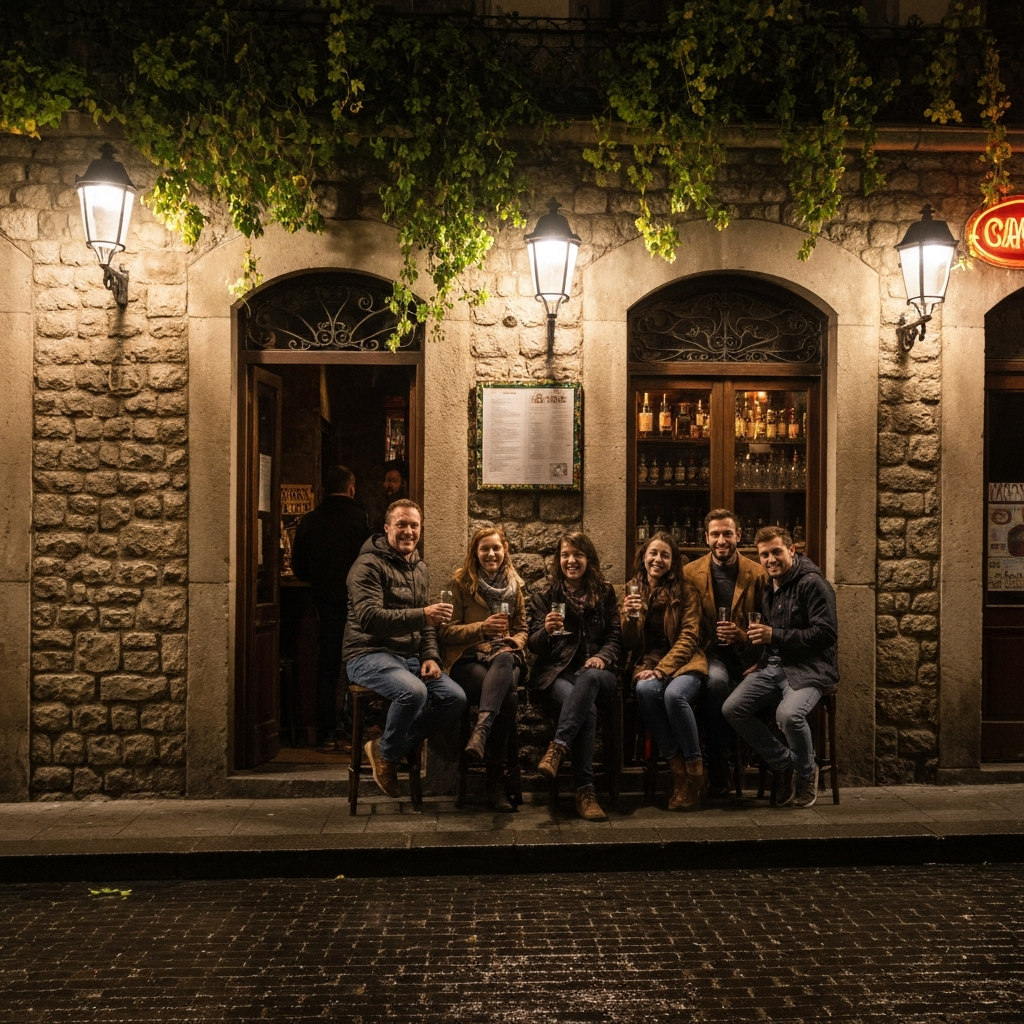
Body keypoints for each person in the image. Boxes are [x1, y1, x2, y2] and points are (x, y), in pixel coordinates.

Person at [343, 499, 467, 798]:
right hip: (367, 654)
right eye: (401, 524)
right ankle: (389, 756)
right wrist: (424, 615)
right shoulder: (367, 566)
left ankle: (385, 747)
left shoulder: (419, 568)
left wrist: (430, 656)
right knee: (414, 692)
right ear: (387, 528)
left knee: (455, 698)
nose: (408, 531)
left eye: (414, 525)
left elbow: (427, 624)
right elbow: (370, 618)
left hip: (407, 658)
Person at [722, 526, 838, 809]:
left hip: (809, 668)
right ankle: (786, 763)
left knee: (788, 715)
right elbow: (769, 638)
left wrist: (774, 635)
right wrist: (760, 659)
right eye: (764, 554)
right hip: (773, 665)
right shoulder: (769, 587)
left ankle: (806, 775)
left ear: (792, 551)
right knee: (732, 708)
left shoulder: (813, 583)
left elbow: (826, 634)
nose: (770, 559)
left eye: (776, 552)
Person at [528, 532, 622, 822]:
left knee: (590, 678)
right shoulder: (545, 596)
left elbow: (615, 636)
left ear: (588, 559)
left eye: (577, 554)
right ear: (559, 560)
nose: (571, 560)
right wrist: (545, 630)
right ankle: (585, 791)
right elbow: (533, 644)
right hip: (558, 674)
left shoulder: (605, 593)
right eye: (565, 555)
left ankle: (558, 748)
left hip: (598, 674)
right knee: (586, 708)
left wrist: (603, 657)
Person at [439, 525, 528, 812]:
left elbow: (523, 629)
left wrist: (513, 640)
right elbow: (447, 632)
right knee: (509, 697)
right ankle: (496, 783)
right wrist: (482, 629)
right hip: (469, 661)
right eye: (484, 548)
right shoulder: (461, 584)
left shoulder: (515, 586)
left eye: (496, 548)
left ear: (505, 551)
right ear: (475, 553)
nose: (491, 554)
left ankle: (481, 732)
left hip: (504, 659)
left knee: (504, 658)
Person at [684, 509, 768, 797]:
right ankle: (720, 769)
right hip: (711, 654)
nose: (722, 540)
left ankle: (762, 765)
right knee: (717, 684)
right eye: (716, 534)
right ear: (706, 538)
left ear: (738, 536)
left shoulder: (758, 573)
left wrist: (742, 636)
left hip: (748, 656)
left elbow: (769, 623)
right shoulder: (690, 573)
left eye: (727, 534)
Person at [622, 532, 707, 810]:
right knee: (645, 689)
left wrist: (662, 670)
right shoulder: (632, 589)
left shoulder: (687, 591)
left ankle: (695, 769)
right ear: (644, 557)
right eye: (653, 553)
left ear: (673, 562)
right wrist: (629, 619)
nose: (658, 559)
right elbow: (630, 644)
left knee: (673, 696)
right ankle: (677, 769)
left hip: (685, 662)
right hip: (649, 662)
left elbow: (689, 638)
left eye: (665, 555)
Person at [290, 465, 370, 744]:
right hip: (358, 604)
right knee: (358, 662)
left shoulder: (309, 521)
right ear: (351, 488)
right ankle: (355, 726)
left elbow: (299, 568)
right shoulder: (362, 519)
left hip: (324, 603)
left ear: (324, 488)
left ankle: (324, 728)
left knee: (327, 664)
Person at [368, 461, 408, 534]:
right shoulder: (378, 502)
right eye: (388, 480)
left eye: (394, 481)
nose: (390, 485)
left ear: (402, 484)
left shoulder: (405, 504)